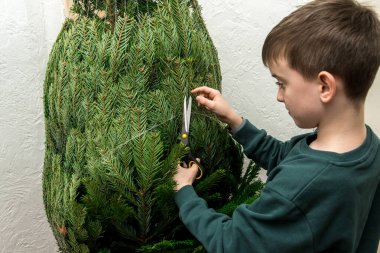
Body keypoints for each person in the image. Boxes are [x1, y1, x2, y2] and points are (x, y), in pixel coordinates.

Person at [173, 0, 380, 252]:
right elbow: (288, 158)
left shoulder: (303, 186)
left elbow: (232, 243)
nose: (279, 97)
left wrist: (184, 191)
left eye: (281, 83)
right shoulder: (368, 148)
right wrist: (236, 122)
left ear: (325, 87)